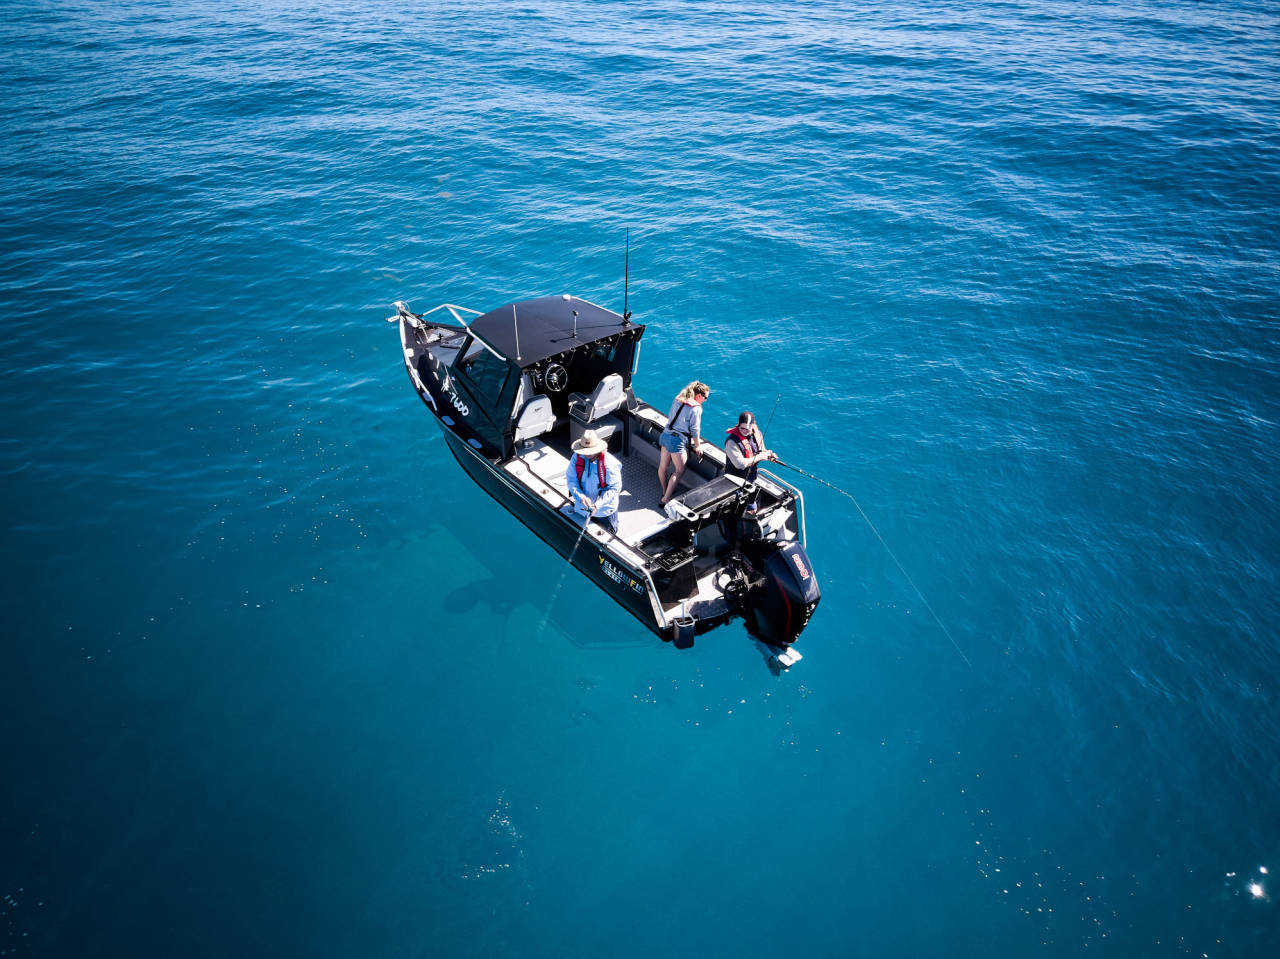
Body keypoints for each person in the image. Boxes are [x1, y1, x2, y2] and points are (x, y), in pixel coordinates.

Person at [658, 380, 711, 506]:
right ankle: (665, 500)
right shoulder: (696, 408)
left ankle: (664, 491)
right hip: (677, 440)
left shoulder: (679, 398)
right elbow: (695, 429)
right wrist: (697, 445)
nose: (705, 400)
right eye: (705, 398)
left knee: (663, 466)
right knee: (679, 470)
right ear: (699, 396)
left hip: (665, 434)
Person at [565, 429, 623, 534]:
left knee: (608, 535)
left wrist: (597, 505)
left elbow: (615, 488)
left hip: (604, 512)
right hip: (582, 508)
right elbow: (571, 480)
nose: (585, 454)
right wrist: (581, 497)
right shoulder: (576, 457)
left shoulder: (610, 463)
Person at [723, 410, 777, 484]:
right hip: (734, 480)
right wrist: (760, 457)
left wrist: (769, 455)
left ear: (753, 425)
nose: (744, 431)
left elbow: (762, 450)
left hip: (751, 478)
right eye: (742, 428)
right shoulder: (731, 442)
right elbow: (740, 464)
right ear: (738, 425)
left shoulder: (757, 434)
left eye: (747, 429)